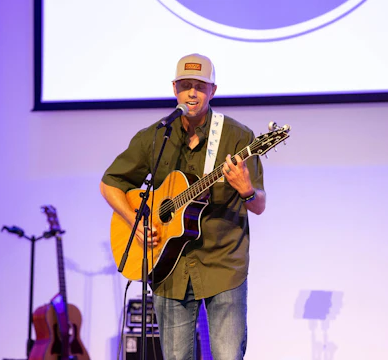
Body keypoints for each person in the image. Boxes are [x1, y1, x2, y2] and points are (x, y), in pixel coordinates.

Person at [99, 53, 266, 359]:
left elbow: (259, 204)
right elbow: (110, 183)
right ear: (174, 88)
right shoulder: (155, 136)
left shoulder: (237, 137)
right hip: (168, 267)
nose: (192, 93)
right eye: (186, 85)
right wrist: (135, 221)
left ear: (212, 90)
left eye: (200, 86)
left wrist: (246, 191)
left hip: (222, 264)